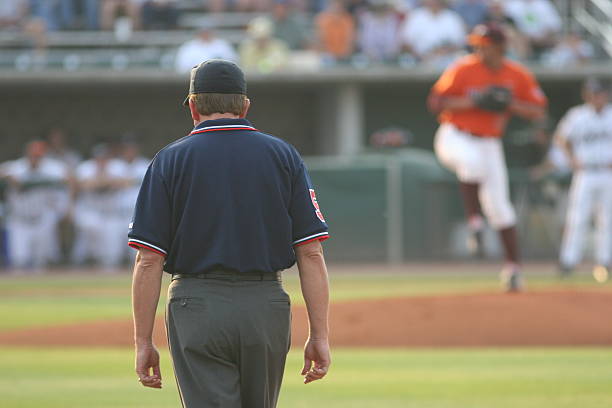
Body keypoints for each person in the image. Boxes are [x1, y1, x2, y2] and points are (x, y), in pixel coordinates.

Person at [129, 60, 331, 407]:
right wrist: (319, 334)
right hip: (265, 306)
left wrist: (143, 342)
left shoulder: (168, 160)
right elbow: (310, 252)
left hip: (197, 306)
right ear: (245, 106)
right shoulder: (284, 155)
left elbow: (149, 260)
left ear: (192, 106)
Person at [427, 23, 547, 291]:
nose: (480, 49)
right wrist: (476, 101)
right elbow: (436, 102)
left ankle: (513, 269)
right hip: (455, 136)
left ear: (500, 47)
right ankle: (475, 224)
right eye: (477, 44)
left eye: (486, 45)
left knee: (502, 209)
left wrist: (509, 104)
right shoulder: (463, 67)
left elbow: (538, 110)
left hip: (490, 143)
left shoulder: (516, 74)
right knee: (471, 163)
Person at [556, 78, 612, 282]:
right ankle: (568, 261)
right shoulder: (577, 116)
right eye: (593, 93)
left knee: (608, 219)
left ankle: (605, 261)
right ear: (587, 95)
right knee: (577, 218)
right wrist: (571, 159)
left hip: (608, 173)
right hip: (586, 173)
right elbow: (561, 138)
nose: (597, 97)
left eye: (600, 93)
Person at [0, 141, 69, 270]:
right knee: (19, 260)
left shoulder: (52, 168)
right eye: (33, 155)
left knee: (41, 261)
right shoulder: (16, 167)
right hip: (19, 219)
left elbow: (69, 178)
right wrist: (9, 177)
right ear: (27, 154)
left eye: (38, 156)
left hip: (42, 218)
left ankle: (41, 290)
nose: (35, 158)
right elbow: (3, 171)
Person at [72, 144, 130, 269]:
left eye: (104, 158)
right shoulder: (85, 167)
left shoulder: (118, 166)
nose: (102, 161)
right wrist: (108, 181)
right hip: (91, 212)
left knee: (112, 255)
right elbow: (82, 185)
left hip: (112, 213)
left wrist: (99, 181)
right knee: (91, 229)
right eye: (99, 158)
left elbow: (125, 183)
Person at [400, 0, 466, 66]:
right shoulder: (414, 16)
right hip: (419, 65)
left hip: (448, 65)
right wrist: (421, 57)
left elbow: (460, 43)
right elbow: (405, 43)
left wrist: (444, 51)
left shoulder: (453, 17)